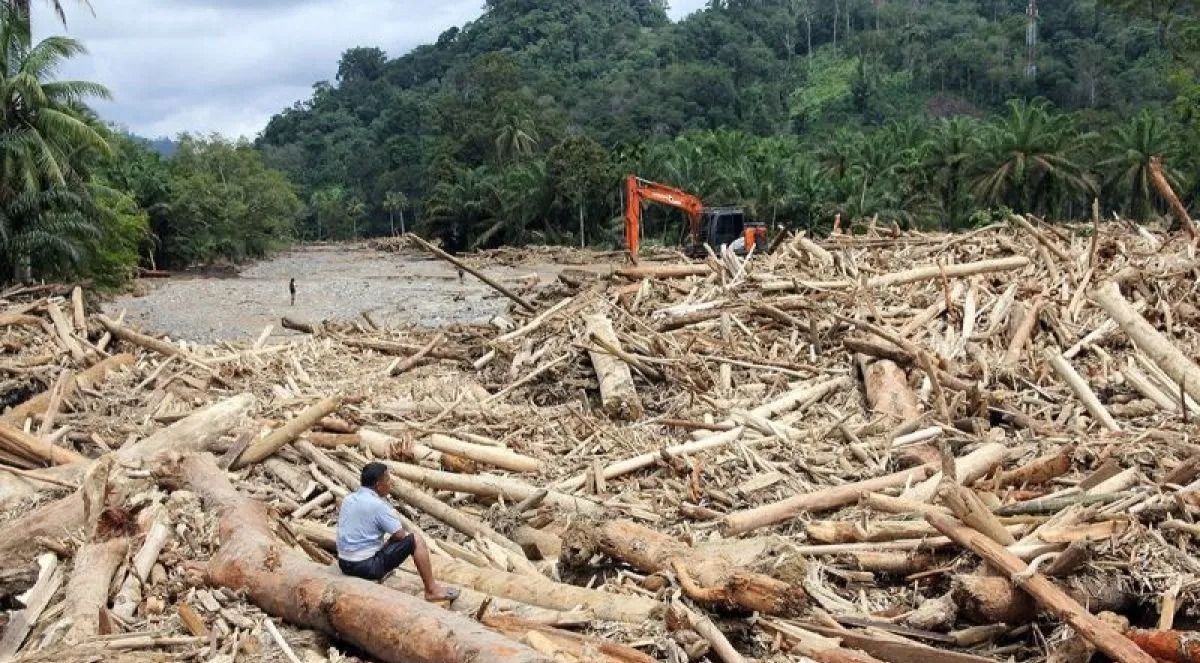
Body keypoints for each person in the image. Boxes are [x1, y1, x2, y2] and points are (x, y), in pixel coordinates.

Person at [336, 462, 459, 601]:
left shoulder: (348, 499)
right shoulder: (378, 506)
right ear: (378, 485)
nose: (391, 484)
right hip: (366, 567)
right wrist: (391, 542)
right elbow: (400, 535)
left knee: (389, 541)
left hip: (344, 563)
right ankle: (431, 589)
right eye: (388, 480)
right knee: (416, 540)